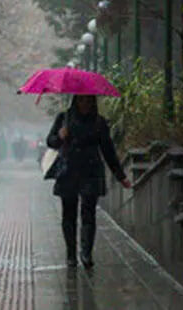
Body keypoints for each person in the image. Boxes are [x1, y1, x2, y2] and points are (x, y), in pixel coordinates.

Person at [45, 95, 131, 268]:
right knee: (68, 214)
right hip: (68, 170)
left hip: (91, 172)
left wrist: (120, 176)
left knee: (88, 213)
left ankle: (86, 253)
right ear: (75, 101)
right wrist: (60, 136)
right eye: (81, 100)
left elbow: (108, 151)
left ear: (93, 102)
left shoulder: (99, 122)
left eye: (88, 101)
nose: (85, 104)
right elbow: (51, 142)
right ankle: (71, 254)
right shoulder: (64, 118)